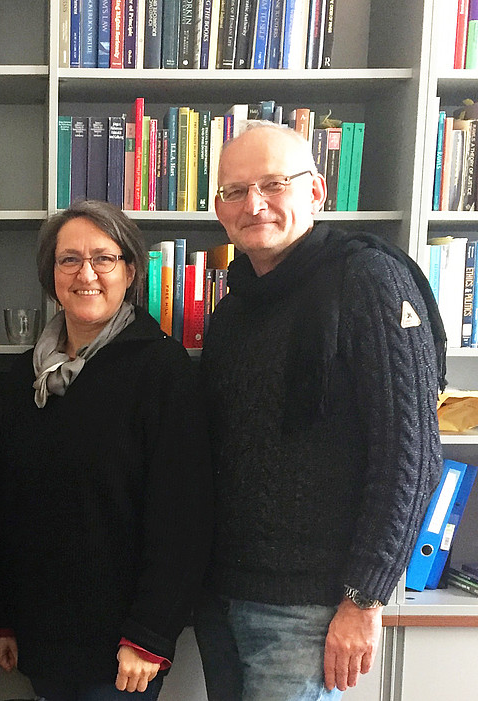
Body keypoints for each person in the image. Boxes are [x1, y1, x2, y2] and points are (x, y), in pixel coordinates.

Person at [195, 121, 446, 701]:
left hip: (313, 611)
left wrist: (364, 600)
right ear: (217, 209)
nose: (254, 204)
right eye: (235, 191)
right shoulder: (234, 310)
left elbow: (411, 458)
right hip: (225, 595)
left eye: (273, 184)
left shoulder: (369, 281)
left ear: (316, 192)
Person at [0, 200, 213, 700]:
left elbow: (184, 516)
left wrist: (150, 635)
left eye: (103, 258)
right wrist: (3, 618)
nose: (85, 273)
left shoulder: (161, 369)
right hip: (42, 635)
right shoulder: (24, 378)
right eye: (69, 259)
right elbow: (8, 506)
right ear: (52, 274)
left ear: (130, 270)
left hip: (124, 647)